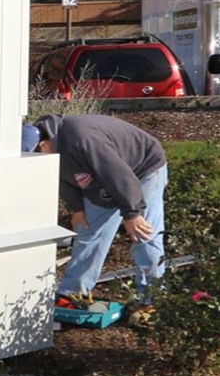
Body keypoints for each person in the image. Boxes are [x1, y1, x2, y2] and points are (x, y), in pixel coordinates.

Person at [22, 114, 168, 307]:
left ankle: (152, 301)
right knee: (88, 232)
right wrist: (77, 208)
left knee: (143, 235)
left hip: (141, 169)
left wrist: (132, 213)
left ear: (43, 145)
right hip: (103, 181)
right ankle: (73, 294)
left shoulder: (82, 138)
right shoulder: (52, 149)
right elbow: (62, 179)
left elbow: (116, 173)